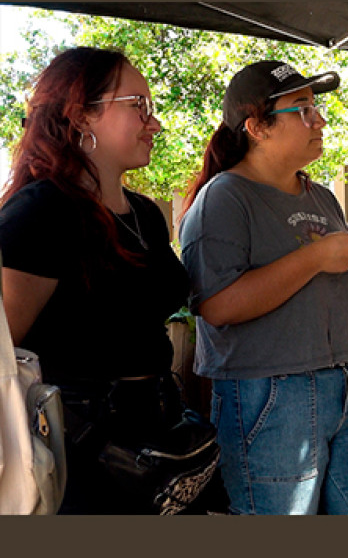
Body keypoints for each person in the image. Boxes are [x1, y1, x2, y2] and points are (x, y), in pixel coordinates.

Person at [178, 60, 348, 515]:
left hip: (346, 381)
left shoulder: (320, 195)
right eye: (301, 109)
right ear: (257, 127)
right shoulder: (224, 198)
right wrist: (317, 257)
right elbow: (217, 306)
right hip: (271, 393)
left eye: (315, 107)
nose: (318, 119)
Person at [0, 47, 196, 513]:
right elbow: (5, 353)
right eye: (138, 107)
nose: (155, 123)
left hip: (154, 440)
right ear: (81, 116)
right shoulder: (42, 212)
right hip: (82, 454)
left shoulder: (145, 214)